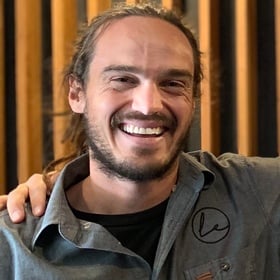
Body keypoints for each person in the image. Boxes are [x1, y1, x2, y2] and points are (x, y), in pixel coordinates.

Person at [0, 3, 279, 280]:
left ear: (193, 98)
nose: (148, 106)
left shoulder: (257, 194)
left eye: (173, 83)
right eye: (123, 79)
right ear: (77, 94)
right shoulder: (11, 246)